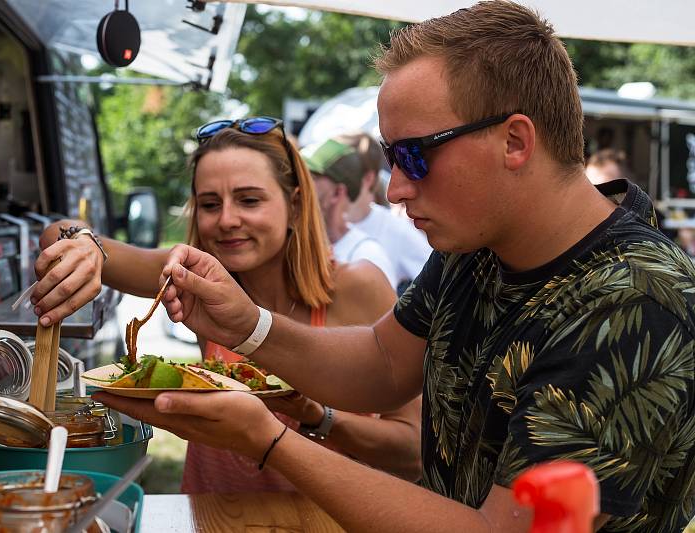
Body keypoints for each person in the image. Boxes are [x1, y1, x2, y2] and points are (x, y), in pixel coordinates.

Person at [40, 3, 695, 532]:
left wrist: (270, 440)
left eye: (414, 156)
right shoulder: (479, 248)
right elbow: (382, 363)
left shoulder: (635, 304)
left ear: (515, 140)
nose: (393, 190)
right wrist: (248, 326)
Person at [33, 116, 422, 492]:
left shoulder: (359, 285)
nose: (227, 220)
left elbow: (412, 451)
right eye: (209, 204)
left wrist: (316, 416)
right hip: (213, 519)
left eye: (249, 200)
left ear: (297, 204)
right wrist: (83, 243)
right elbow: (57, 234)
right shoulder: (199, 282)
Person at [315, 132, 434, 292]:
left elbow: (439, 285)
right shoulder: (321, 224)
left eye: (344, 172)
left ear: (368, 178)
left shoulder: (396, 230)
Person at [302, 138, 398, 288]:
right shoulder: (298, 246)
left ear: (337, 193)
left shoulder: (368, 256)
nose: (298, 184)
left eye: (310, 177)